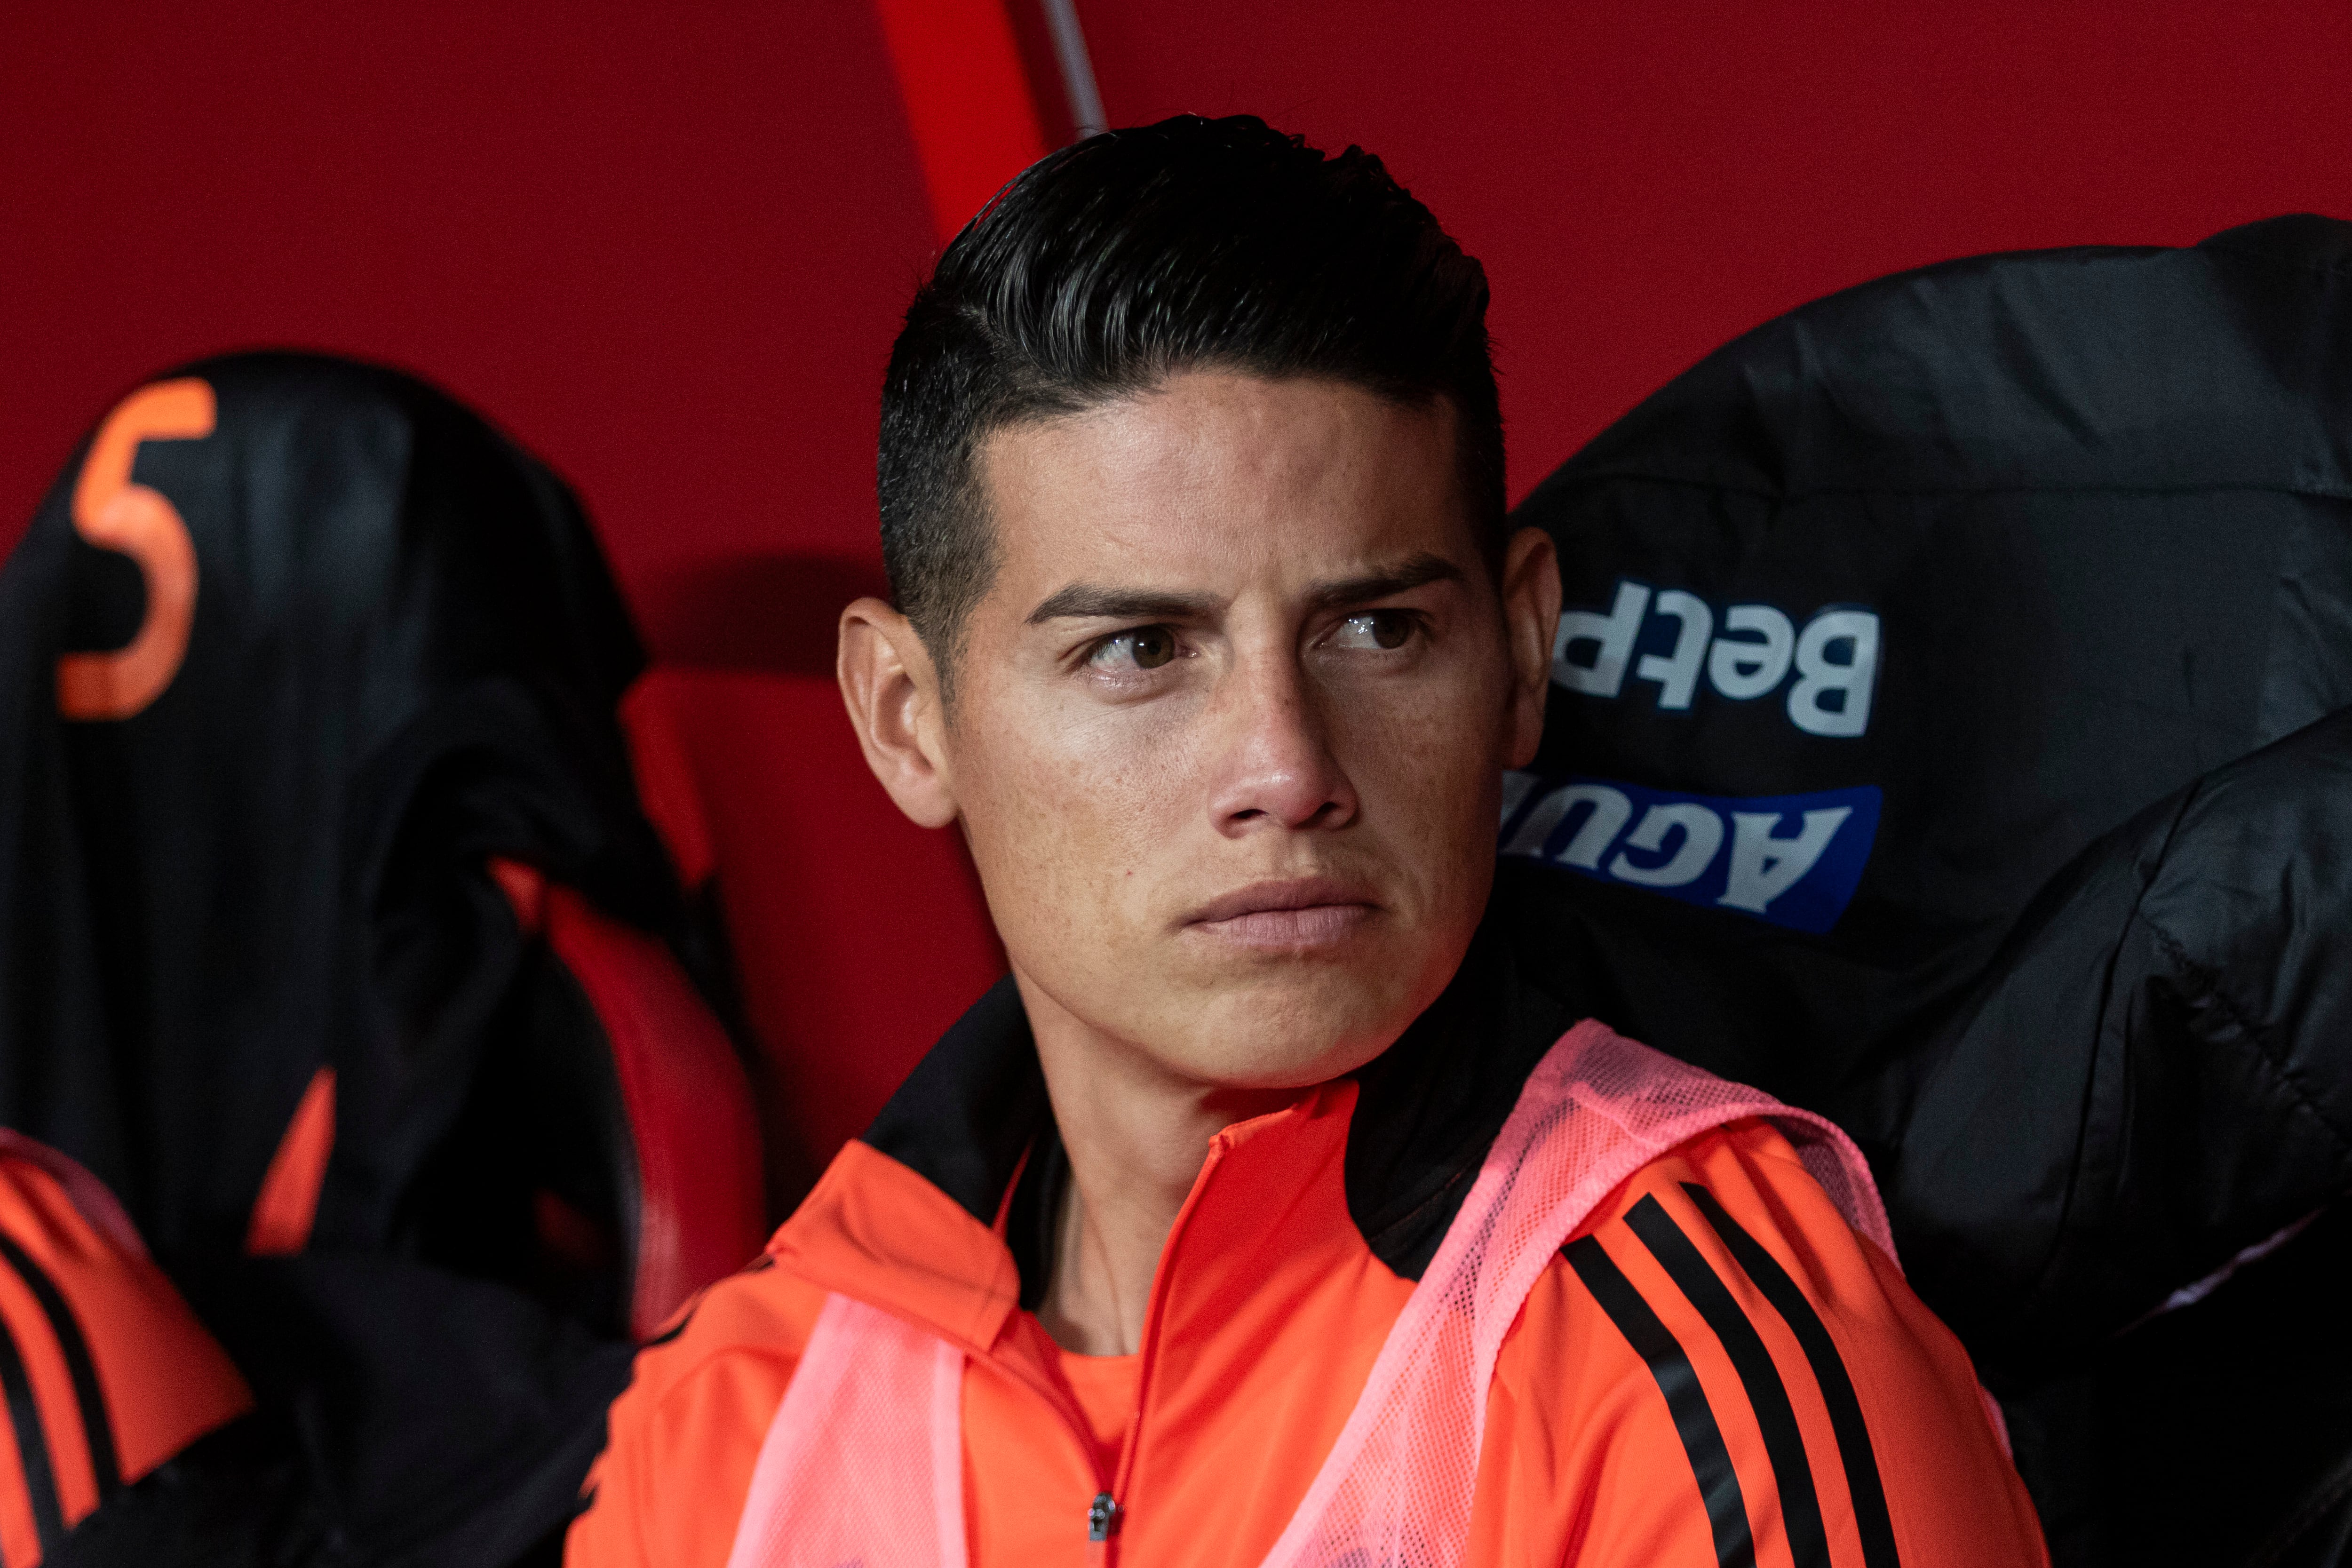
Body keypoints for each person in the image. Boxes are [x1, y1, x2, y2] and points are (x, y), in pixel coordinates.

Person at [566, 113, 2045, 1568]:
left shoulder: (1695, 1372)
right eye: (1142, 650)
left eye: (1377, 630)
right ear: (907, 718)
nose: (1287, 770)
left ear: (1522, 653)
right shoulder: (723, 1432)